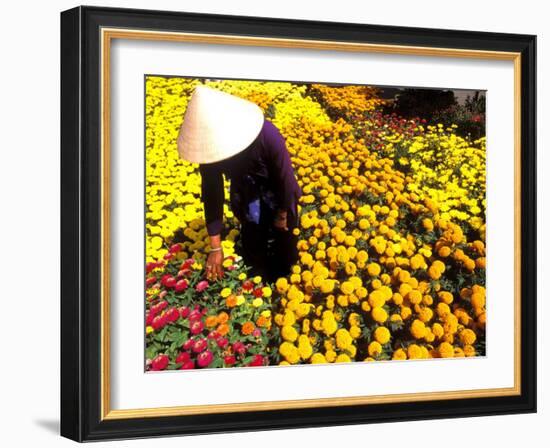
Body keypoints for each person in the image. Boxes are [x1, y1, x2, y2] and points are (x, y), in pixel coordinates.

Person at [177, 85, 302, 282]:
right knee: (253, 246)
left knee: (287, 247)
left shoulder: (267, 135)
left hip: (277, 195)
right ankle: (259, 284)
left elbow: (286, 180)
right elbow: (212, 194)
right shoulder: (209, 150)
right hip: (247, 196)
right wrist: (215, 246)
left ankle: (286, 281)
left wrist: (283, 213)